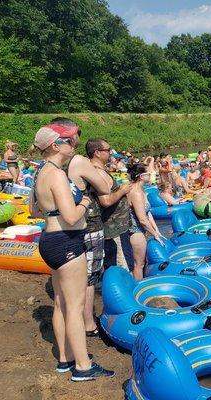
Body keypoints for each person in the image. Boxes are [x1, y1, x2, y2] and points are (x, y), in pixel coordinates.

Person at [30, 124, 114, 381]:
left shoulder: (41, 171)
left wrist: (54, 209)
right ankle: (83, 366)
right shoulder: (56, 174)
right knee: (75, 307)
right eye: (71, 142)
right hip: (66, 241)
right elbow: (71, 215)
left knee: (60, 303)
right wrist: (86, 201)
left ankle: (65, 359)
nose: (75, 145)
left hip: (50, 239)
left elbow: (34, 211)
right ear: (55, 145)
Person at [64, 127, 111, 339]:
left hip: (66, 224)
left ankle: (75, 319)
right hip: (88, 223)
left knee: (73, 277)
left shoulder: (53, 166)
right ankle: (89, 324)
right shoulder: (80, 162)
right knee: (91, 276)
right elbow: (104, 188)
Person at [88, 140, 135, 272]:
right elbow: (105, 201)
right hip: (114, 228)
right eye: (108, 150)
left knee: (119, 262)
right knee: (123, 267)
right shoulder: (97, 173)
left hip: (117, 227)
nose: (111, 152)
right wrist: (123, 190)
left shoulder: (99, 171)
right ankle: (125, 291)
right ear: (97, 153)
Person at [126, 163, 163, 280]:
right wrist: (155, 234)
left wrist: (157, 231)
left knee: (142, 263)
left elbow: (148, 213)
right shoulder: (136, 192)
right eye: (149, 173)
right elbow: (142, 219)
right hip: (135, 231)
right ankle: (139, 291)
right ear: (141, 176)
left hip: (141, 230)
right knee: (139, 264)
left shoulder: (141, 190)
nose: (151, 175)